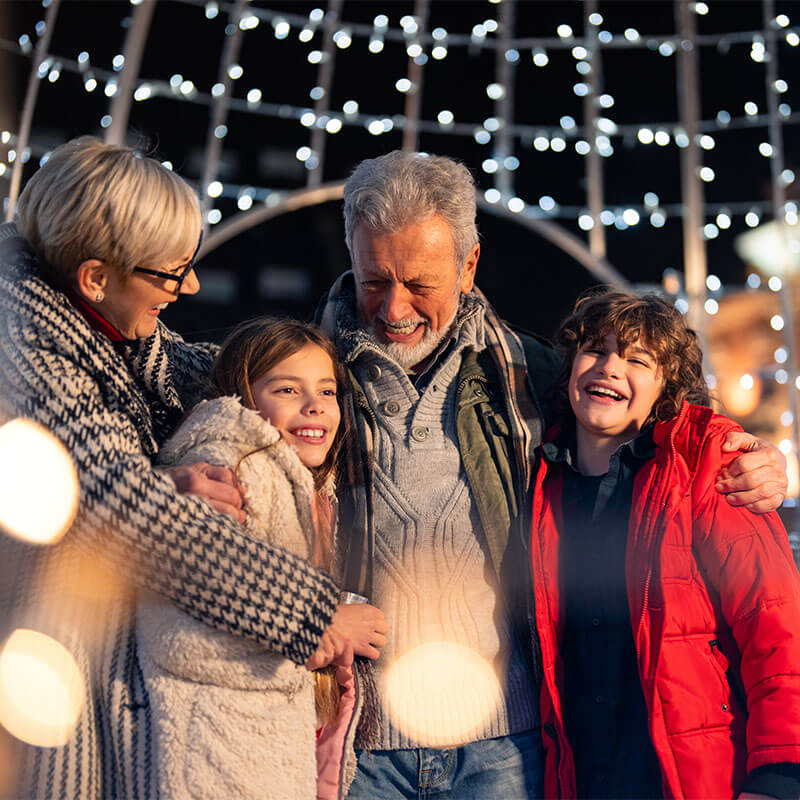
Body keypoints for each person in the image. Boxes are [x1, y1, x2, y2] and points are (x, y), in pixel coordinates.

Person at [312, 150, 789, 798]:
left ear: (468, 264)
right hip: (362, 745)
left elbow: (653, 408)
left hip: (502, 744)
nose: (394, 307)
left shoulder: (526, 374)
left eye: (420, 283)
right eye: (374, 279)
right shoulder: (305, 376)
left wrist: (743, 448)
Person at [0, 137, 352, 799]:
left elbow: (214, 372)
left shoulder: (106, 331)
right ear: (96, 277)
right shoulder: (25, 353)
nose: (188, 285)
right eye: (168, 273)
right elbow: (138, 522)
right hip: (50, 682)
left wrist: (301, 385)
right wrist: (318, 614)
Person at [530, 289, 800, 800]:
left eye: (636, 358)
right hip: (582, 776)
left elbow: (776, 625)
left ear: (666, 386)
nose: (609, 367)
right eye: (594, 349)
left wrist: (780, 775)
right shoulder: (541, 479)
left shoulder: (710, 465)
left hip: (693, 779)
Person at [138, 317, 386, 800]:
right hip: (219, 752)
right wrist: (327, 629)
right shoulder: (229, 477)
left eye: (328, 391)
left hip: (272, 743)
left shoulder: (309, 486)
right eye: (288, 389)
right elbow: (182, 634)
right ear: (245, 398)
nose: (315, 405)